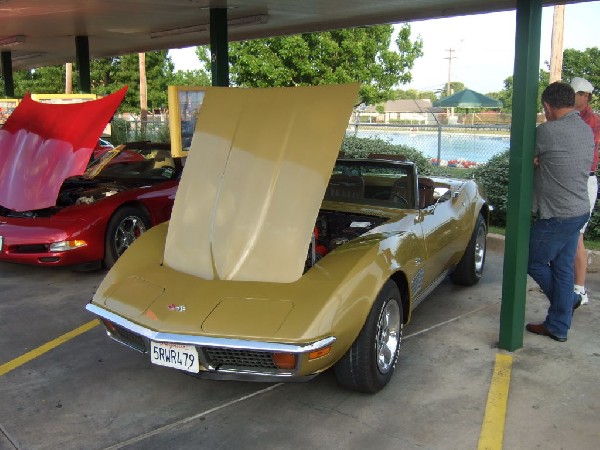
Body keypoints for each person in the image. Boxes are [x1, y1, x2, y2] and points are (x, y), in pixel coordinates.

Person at [526, 81, 594, 342]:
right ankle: (558, 326)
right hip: (579, 211)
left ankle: (570, 300)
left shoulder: (546, 132)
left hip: (558, 216)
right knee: (564, 269)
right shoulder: (585, 130)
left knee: (531, 259)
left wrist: (535, 161)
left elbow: (524, 159)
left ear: (547, 106)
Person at [570, 77, 600, 306]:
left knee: (577, 236)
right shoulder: (574, 117)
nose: (573, 97)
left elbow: (586, 158)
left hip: (583, 181)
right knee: (569, 235)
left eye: (577, 94)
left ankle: (579, 289)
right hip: (574, 181)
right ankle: (570, 285)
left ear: (585, 96)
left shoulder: (591, 121)